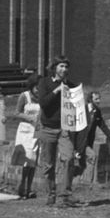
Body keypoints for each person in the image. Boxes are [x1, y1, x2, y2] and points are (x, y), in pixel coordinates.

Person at [35, 55, 78, 206]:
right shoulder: (44, 83)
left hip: (65, 128)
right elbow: (43, 103)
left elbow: (76, 108)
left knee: (68, 158)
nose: (64, 69)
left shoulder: (71, 86)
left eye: (66, 67)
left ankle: (64, 195)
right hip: (48, 127)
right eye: (61, 66)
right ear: (54, 68)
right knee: (48, 164)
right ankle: (51, 193)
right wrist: (57, 91)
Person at [13, 79, 40, 199]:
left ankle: (29, 187)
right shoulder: (24, 96)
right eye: (37, 88)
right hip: (25, 130)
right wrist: (29, 118)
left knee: (33, 160)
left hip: (36, 131)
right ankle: (22, 185)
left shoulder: (42, 97)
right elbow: (17, 113)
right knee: (26, 159)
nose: (38, 90)